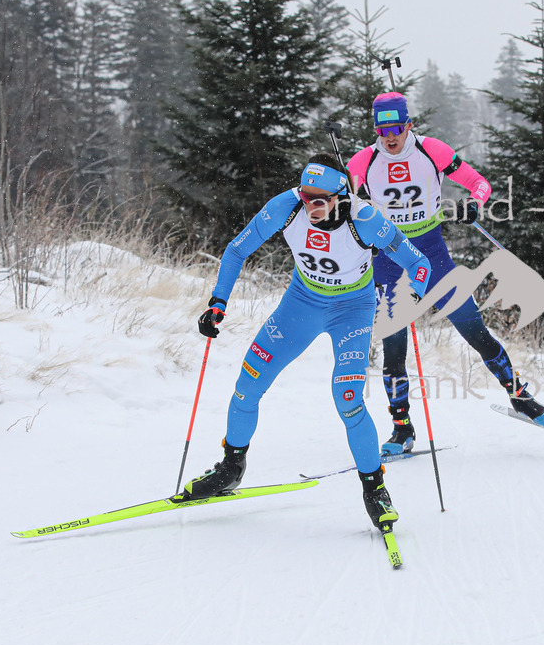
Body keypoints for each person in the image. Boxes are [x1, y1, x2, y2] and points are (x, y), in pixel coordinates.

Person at [184, 159, 432, 532]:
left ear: (340, 196)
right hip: (301, 305)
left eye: (320, 199)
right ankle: (230, 467)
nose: (310, 206)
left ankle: (375, 490)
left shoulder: (365, 220)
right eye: (305, 196)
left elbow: (419, 263)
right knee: (248, 383)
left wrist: (414, 294)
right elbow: (236, 250)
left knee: (347, 398)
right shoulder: (285, 207)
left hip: (352, 310)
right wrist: (218, 302)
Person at [346, 92, 544, 455]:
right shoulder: (363, 161)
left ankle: (520, 396)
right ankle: (402, 429)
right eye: (382, 131)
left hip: (431, 255)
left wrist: (474, 204)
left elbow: (480, 184)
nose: (390, 137)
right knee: (393, 349)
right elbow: (339, 203)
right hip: (389, 258)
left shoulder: (433, 151)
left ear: (408, 125)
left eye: (396, 129)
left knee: (474, 329)